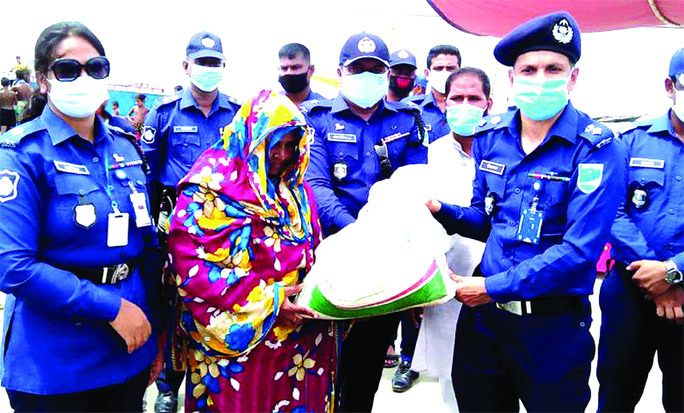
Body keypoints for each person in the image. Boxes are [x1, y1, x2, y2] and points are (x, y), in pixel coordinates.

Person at [426, 12, 626, 411]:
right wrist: (439, 210)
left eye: (553, 68)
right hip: (484, 327)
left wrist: (490, 288)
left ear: (572, 77)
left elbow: (578, 252)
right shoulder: (491, 136)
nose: (541, 78)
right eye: (529, 69)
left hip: (550, 328)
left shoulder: (596, 149)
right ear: (513, 80)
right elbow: (488, 223)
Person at [0, 21, 162, 412]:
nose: (85, 77)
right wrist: (111, 308)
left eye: (96, 67)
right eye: (68, 69)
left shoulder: (125, 148)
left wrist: (157, 332)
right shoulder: (22, 154)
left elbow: (147, 249)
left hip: (130, 351)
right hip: (57, 363)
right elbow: (13, 266)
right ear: (43, 81)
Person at [166, 90, 337, 412]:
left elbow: (312, 248)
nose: (283, 155)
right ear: (248, 137)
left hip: (302, 336)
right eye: (274, 145)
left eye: (291, 145)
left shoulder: (295, 189)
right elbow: (193, 268)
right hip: (241, 341)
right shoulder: (210, 189)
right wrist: (270, 302)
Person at [304, 32, 426, 412]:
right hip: (333, 254)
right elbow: (316, 184)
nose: (368, 76)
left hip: (387, 258)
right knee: (318, 363)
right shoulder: (319, 119)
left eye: (377, 70)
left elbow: (415, 182)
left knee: (366, 369)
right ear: (341, 71)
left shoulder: (407, 120)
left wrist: (386, 233)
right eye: (359, 69)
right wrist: (356, 231)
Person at [141, 30, 241, 413]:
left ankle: (210, 380)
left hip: (225, 232)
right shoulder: (163, 115)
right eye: (201, 63)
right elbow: (147, 177)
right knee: (173, 304)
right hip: (177, 229)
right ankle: (168, 385)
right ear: (186, 66)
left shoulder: (236, 114)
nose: (208, 70)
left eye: (215, 63)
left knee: (216, 304)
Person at [596, 47, 684, 413]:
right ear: (670, 86)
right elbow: (611, 210)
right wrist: (653, 275)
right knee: (617, 390)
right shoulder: (632, 140)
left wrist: (673, 272)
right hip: (628, 287)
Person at [413, 67, 492, 410]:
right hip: (448, 280)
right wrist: (420, 285)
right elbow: (419, 224)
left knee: (497, 376)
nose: (465, 105)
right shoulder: (429, 155)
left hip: (497, 277)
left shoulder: (504, 148)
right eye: (457, 98)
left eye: (473, 98)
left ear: (489, 103)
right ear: (443, 103)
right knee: (451, 377)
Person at [405, 44, 461, 143]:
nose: (445, 73)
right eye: (438, 68)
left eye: (451, 68)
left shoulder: (470, 111)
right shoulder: (410, 108)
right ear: (427, 74)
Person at [278, 42, 326, 107]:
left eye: (295, 67)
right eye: (284, 68)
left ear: (311, 70)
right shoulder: (268, 107)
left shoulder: (324, 110)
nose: (289, 72)